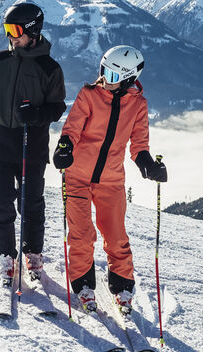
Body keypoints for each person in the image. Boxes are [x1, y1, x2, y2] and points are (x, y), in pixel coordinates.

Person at [52, 45, 167, 315]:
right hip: (77, 175)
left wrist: (148, 166)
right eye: (103, 72)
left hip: (111, 181)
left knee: (116, 236)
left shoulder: (138, 104)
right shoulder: (90, 94)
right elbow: (73, 127)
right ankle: (83, 285)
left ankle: (122, 286)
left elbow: (139, 144)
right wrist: (65, 147)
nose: (105, 80)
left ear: (128, 80)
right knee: (81, 234)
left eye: (113, 77)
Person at [0, 2, 66, 285]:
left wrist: (37, 114)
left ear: (32, 30)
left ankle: (32, 253)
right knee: (0, 202)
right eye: (7, 30)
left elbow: (56, 108)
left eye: (15, 30)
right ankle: (5, 256)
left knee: (31, 204)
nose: (10, 36)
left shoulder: (49, 68)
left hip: (32, 144)